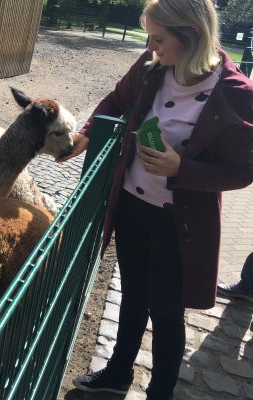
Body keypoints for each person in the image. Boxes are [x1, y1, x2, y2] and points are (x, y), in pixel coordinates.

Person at [57, 0, 253, 399]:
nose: (151, 46)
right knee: (131, 295)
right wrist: (84, 134)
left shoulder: (235, 93)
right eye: (149, 36)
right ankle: (117, 372)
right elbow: (115, 100)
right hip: (130, 204)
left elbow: (242, 171)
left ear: (192, 35)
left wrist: (181, 168)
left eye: (159, 38)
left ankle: (160, 391)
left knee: (165, 312)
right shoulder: (152, 65)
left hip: (176, 223)